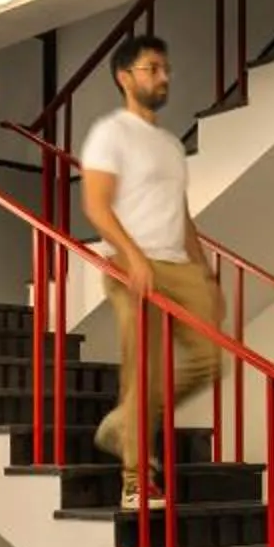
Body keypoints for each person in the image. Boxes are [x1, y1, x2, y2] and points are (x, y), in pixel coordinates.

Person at [77, 34, 222, 507]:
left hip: (180, 266)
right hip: (132, 266)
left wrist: (207, 273)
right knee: (143, 372)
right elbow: (96, 206)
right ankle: (136, 481)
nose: (163, 77)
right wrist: (133, 257)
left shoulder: (169, 145)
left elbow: (180, 213)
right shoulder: (110, 133)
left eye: (165, 69)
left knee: (209, 361)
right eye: (152, 68)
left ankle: (123, 425)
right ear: (125, 77)